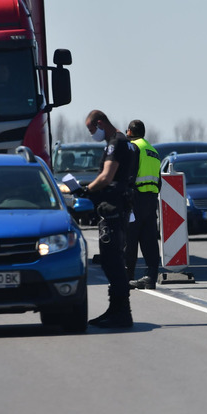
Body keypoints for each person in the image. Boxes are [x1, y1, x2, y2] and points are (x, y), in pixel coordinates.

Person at [77, 110, 136, 328]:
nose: (92, 133)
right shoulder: (122, 141)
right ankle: (116, 309)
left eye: (91, 129)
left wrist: (86, 190)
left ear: (100, 123)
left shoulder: (116, 142)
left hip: (113, 208)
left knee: (113, 263)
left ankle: (121, 313)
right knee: (113, 262)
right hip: (116, 207)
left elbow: (107, 176)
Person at [125, 120, 162, 290]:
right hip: (151, 199)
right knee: (149, 240)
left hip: (136, 198)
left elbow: (130, 174)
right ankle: (151, 277)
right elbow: (159, 181)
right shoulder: (153, 151)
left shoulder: (134, 148)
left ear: (131, 132)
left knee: (130, 238)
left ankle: (127, 276)